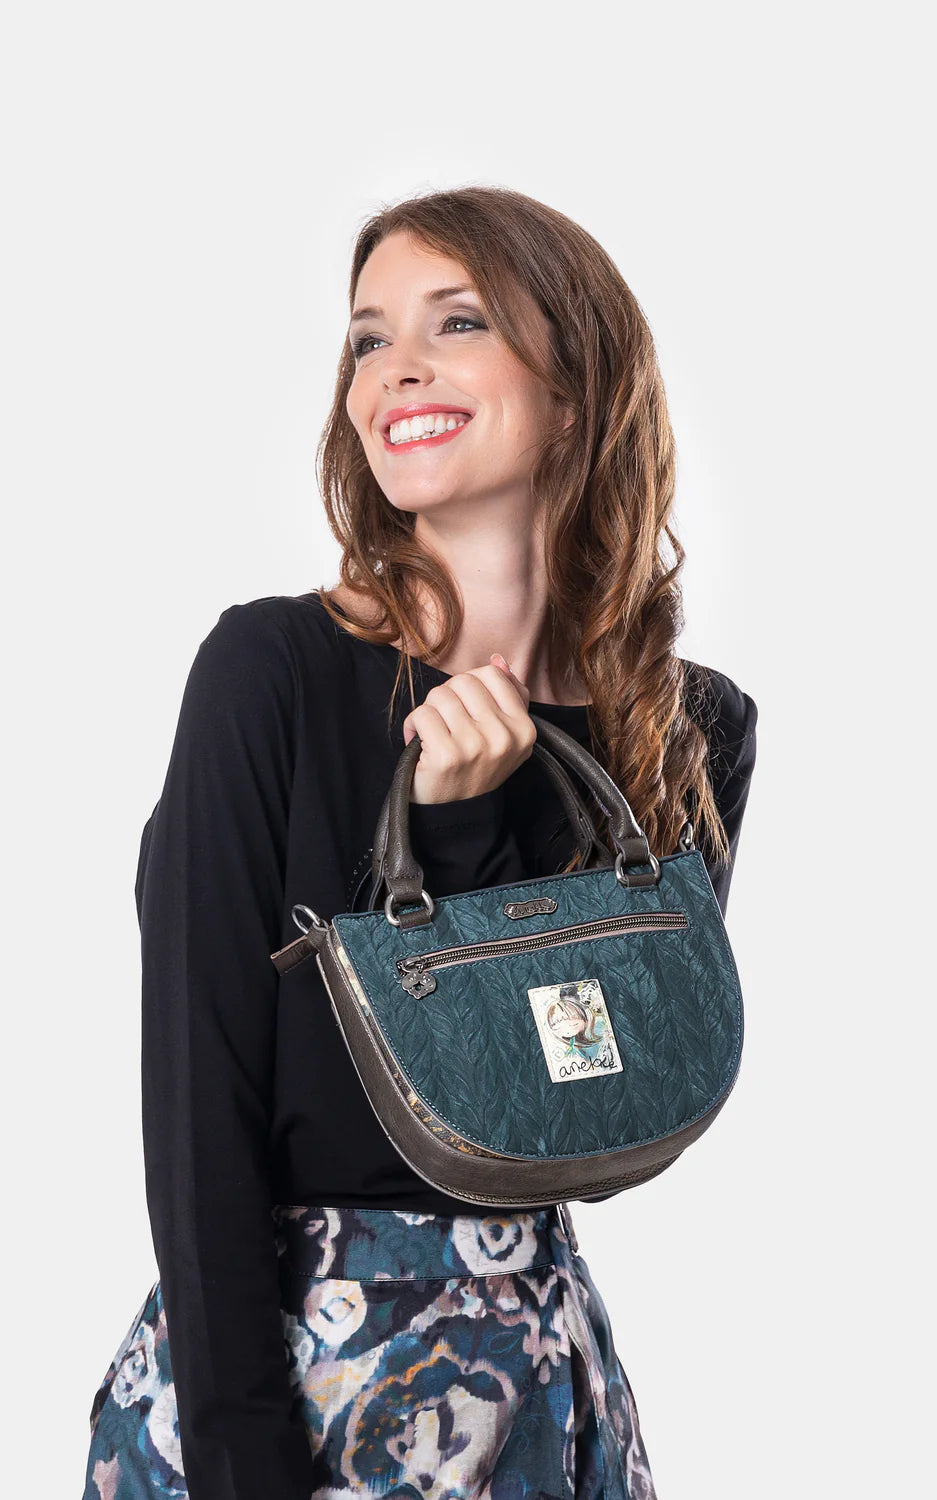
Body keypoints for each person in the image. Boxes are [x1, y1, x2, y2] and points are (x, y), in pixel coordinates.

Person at [82, 186, 759, 1500]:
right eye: (366, 337)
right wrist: (242, 1463)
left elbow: (599, 1114)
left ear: (575, 389)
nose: (396, 367)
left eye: (457, 322)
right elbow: (197, 1104)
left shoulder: (687, 728)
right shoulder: (270, 674)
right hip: (283, 1386)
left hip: (535, 1393)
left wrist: (464, 830)